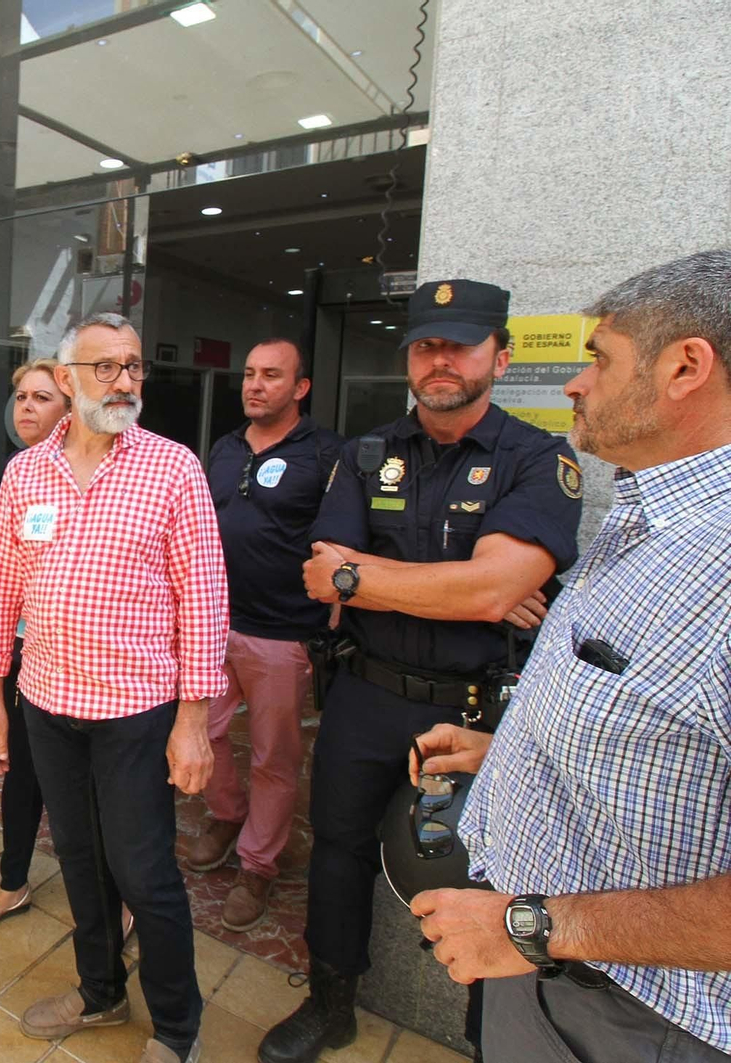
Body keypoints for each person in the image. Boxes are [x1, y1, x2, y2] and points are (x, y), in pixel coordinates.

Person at [410, 251, 731, 1063]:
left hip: (633, 1011)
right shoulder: (649, 517)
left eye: (601, 359)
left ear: (686, 367)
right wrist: (508, 750)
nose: (576, 384)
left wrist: (536, 926)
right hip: (547, 970)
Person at [257, 279, 582, 1063]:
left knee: (487, 869)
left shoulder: (537, 458)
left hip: (478, 711)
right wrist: (475, 586)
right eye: (426, 345)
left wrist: (375, 576)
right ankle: (331, 1002)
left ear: (500, 359)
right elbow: (323, 575)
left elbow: (479, 587)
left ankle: (485, 1031)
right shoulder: (366, 453)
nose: (441, 360)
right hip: (366, 695)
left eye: (460, 346)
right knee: (337, 849)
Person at [0, 312, 227, 1063]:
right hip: (47, 704)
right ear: (66, 377)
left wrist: (193, 720)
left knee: (143, 873)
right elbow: (4, 593)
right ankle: (100, 993)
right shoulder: (26, 472)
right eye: (106, 367)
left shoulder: (172, 468)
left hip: (135, 713)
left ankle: (177, 1025)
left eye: (134, 366)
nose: (125, 381)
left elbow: (204, 599)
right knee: (79, 860)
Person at [195, 339, 341, 932]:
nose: (255, 385)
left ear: (300, 387)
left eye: (271, 375)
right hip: (212, 622)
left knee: (273, 756)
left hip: (282, 632)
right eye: (250, 374)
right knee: (203, 730)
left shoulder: (326, 453)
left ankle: (258, 863)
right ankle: (228, 815)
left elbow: (340, 540)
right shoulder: (225, 448)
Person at [0, 358, 69, 934]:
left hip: (75, 659)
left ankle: (115, 899)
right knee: (21, 776)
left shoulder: (88, 482)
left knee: (91, 790)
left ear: (70, 408)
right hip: (20, 653)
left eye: (42, 398)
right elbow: (1, 560)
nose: (26, 407)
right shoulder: (15, 474)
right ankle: (12, 882)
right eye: (21, 397)